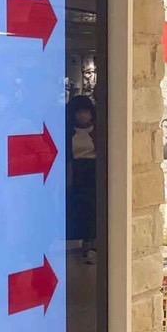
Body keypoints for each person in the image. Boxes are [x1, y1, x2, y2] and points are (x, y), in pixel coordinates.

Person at [67, 95, 98, 264]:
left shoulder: (98, 130)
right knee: (79, 209)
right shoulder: (69, 132)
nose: (83, 116)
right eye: (79, 112)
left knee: (93, 209)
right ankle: (80, 244)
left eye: (86, 112)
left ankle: (91, 245)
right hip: (76, 172)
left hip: (93, 172)